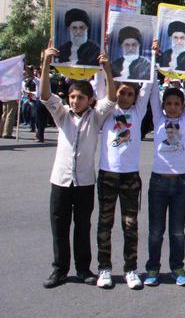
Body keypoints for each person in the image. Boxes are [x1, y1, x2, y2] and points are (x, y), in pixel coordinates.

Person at [39, 41, 117, 288]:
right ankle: (59, 269)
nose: (75, 101)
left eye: (80, 97)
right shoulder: (62, 115)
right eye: (72, 97)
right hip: (60, 181)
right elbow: (45, 96)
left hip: (84, 182)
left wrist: (107, 69)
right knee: (59, 226)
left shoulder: (96, 117)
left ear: (90, 99)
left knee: (83, 226)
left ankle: (83, 269)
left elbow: (111, 98)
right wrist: (46, 63)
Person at [143, 45, 185, 287]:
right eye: (169, 103)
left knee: (177, 231)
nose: (173, 107)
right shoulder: (159, 118)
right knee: (156, 231)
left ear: (183, 106)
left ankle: (177, 268)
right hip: (158, 181)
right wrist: (153, 58)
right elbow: (151, 88)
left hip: (179, 183)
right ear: (163, 105)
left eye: (178, 103)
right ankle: (153, 268)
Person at [94, 64, 155, 290]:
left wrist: (153, 60)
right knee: (105, 224)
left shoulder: (138, 112)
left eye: (130, 94)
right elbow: (101, 85)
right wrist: (104, 66)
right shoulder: (107, 110)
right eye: (122, 92)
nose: (125, 97)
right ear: (115, 91)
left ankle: (131, 269)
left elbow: (148, 85)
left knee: (130, 225)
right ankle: (104, 269)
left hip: (130, 177)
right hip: (108, 174)